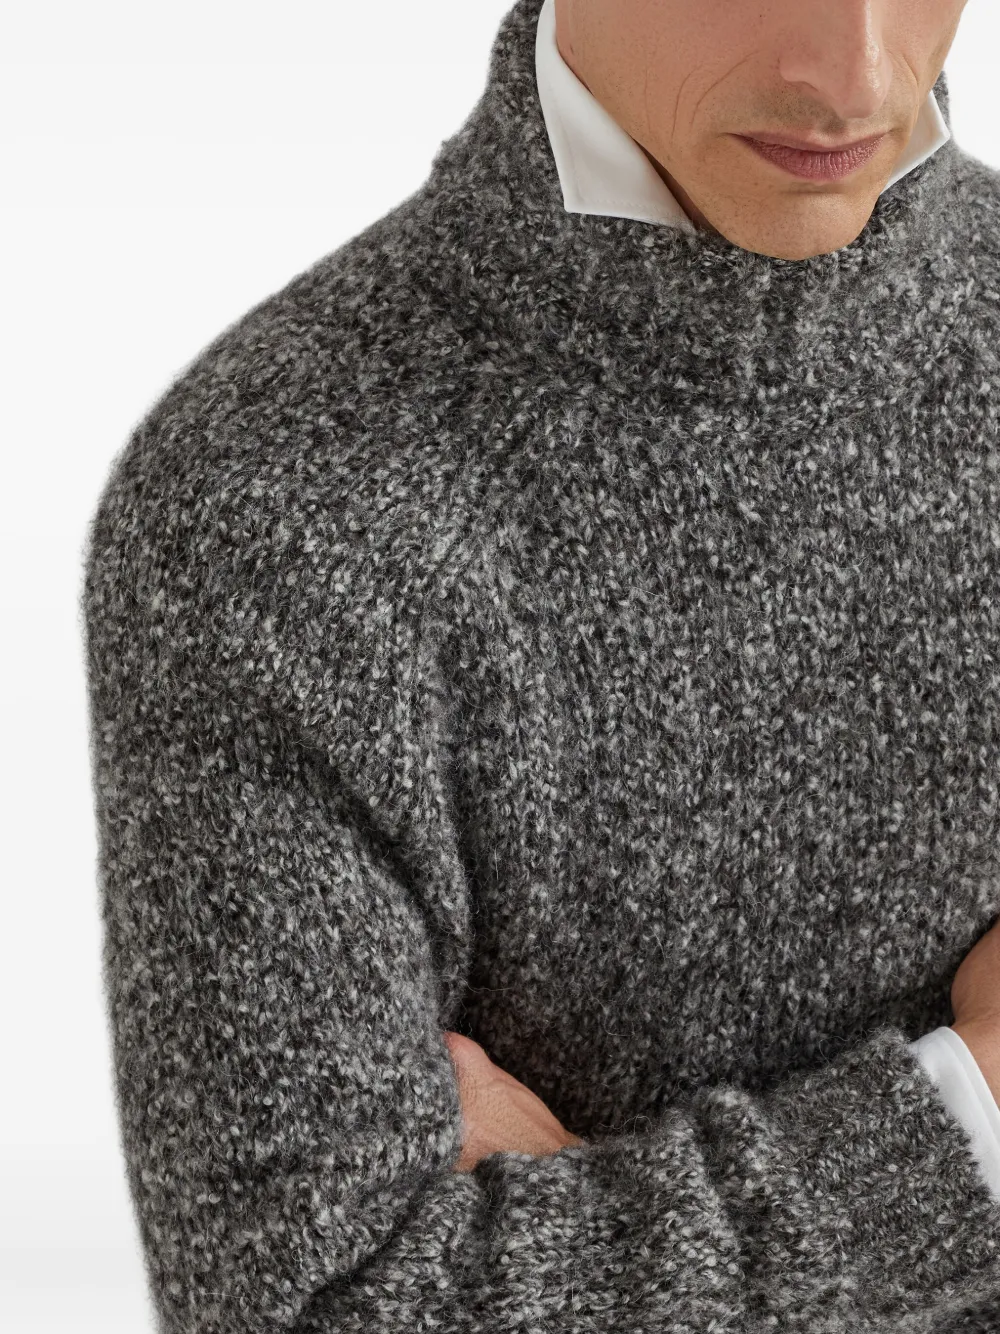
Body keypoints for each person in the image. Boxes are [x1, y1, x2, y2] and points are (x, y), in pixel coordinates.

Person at [81, 1, 1000, 1331]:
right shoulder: (276, 506)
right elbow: (324, 1308)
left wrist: (580, 1242)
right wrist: (968, 1118)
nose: (852, 74)